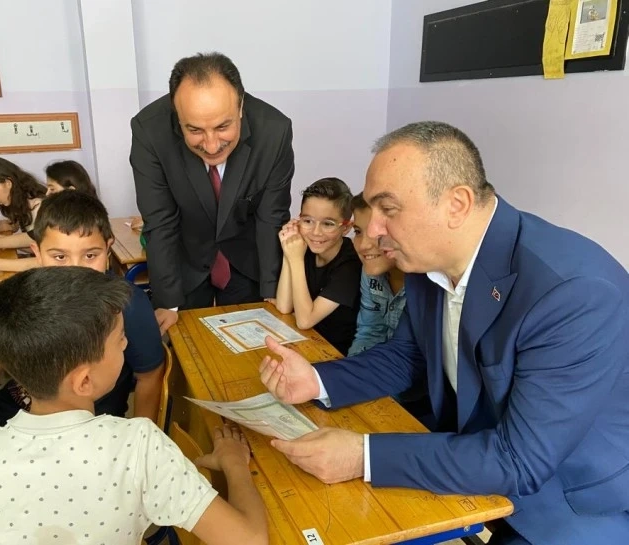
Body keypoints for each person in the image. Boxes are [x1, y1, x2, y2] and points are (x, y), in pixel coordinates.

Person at [259, 121, 629, 545]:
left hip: (568, 501)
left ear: (456, 205)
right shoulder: (426, 258)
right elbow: (408, 356)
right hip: (477, 458)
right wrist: (316, 379)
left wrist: (363, 455)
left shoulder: (573, 292)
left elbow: (519, 461)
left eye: (388, 209)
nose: (372, 231)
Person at [0, 266, 268, 545]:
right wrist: (233, 463)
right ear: (84, 381)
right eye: (120, 338)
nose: (126, 344)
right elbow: (250, 540)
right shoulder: (138, 446)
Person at [0, 191, 164, 535]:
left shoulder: (127, 304)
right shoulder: (24, 293)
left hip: (92, 424)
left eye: (90, 255)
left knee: (70, 514)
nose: (75, 268)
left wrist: (143, 444)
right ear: (37, 252)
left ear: (108, 248)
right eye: (59, 256)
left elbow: (150, 376)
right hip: (16, 411)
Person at [130, 51, 295, 333]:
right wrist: (168, 302)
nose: (211, 145)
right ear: (176, 115)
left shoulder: (274, 131)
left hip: (246, 258)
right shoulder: (149, 131)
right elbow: (160, 221)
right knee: (184, 344)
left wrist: (272, 289)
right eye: (194, 130)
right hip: (185, 258)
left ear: (241, 107)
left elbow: (271, 216)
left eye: (223, 127)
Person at [274, 178, 361, 355]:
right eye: (308, 221)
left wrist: (295, 259)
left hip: (334, 353)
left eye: (328, 224)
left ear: (346, 228)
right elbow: (284, 306)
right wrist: (288, 250)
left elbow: (305, 321)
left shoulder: (351, 264)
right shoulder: (304, 248)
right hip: (306, 341)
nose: (315, 232)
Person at [0, 161, 97, 272]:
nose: (47, 194)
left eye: (52, 189)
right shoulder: (64, 215)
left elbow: (46, 259)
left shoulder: (73, 220)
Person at [347, 192, 406, 356]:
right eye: (358, 232)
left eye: (376, 233)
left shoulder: (428, 280)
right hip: (379, 363)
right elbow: (369, 332)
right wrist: (353, 366)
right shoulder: (371, 270)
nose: (363, 246)